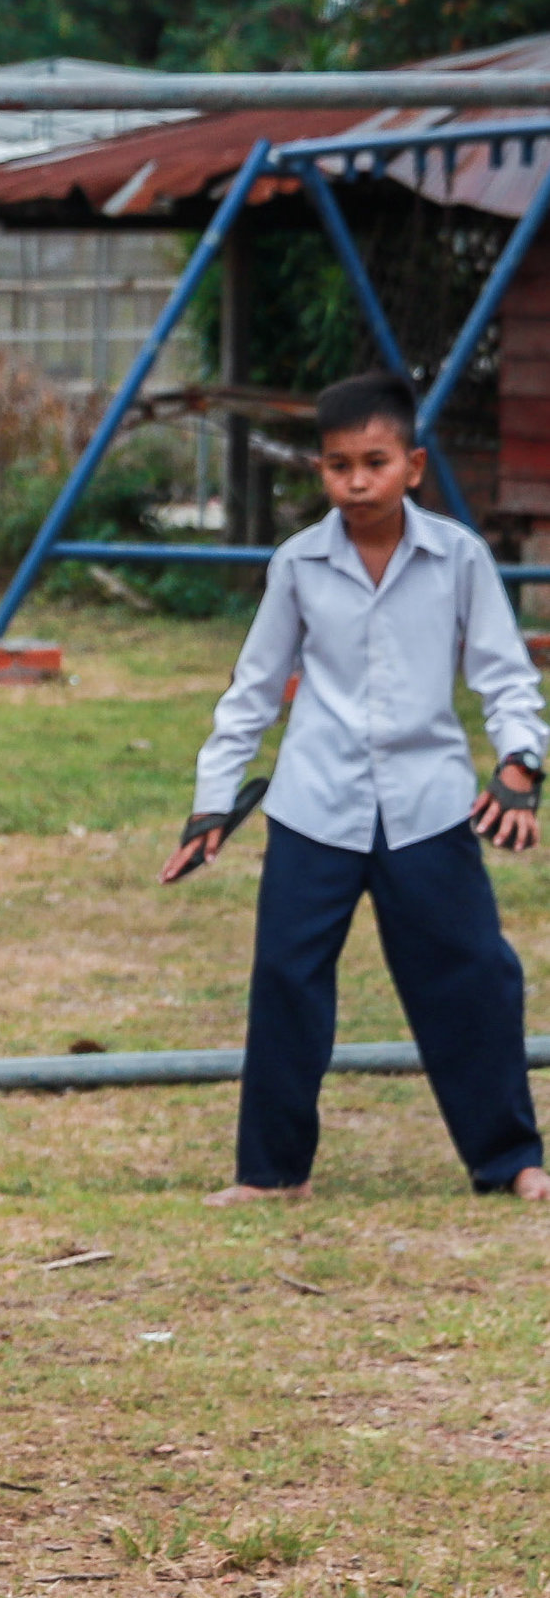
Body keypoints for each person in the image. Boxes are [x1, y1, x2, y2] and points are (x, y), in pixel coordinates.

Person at [165, 369, 549, 1205]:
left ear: (413, 465)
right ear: (322, 473)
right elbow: (253, 692)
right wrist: (212, 801)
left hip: (430, 806)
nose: (357, 480)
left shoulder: (459, 559)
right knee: (287, 977)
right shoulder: (298, 564)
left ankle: (510, 1160)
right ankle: (271, 1174)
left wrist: (519, 764)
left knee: (475, 975)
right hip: (315, 807)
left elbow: (505, 676)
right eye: (339, 465)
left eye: (375, 461)